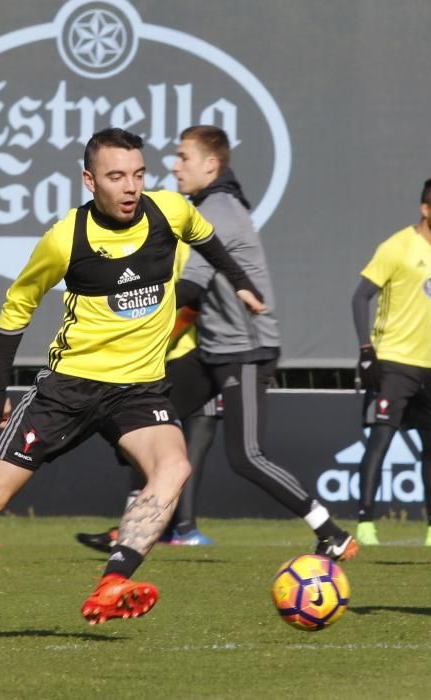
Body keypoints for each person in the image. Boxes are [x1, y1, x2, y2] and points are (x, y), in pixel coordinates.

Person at [0, 127, 266, 627]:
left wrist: (240, 283)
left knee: (173, 467)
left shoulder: (169, 211)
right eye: (116, 176)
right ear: (89, 181)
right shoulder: (67, 238)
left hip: (140, 387)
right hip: (69, 389)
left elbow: (206, 239)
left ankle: (113, 582)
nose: (130, 187)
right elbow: (17, 306)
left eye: (138, 174)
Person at [161, 124, 359, 560]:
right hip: (213, 349)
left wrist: (133, 323)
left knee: (245, 456)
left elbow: (189, 290)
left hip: (245, 352)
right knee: (149, 417)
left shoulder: (217, 209)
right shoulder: (210, 205)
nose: (174, 166)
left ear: (211, 165)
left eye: (183, 158)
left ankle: (331, 532)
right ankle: (141, 523)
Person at [75, 243, 222, 553]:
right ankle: (154, 527)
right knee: (153, 445)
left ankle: (180, 528)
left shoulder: (180, 246)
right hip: (155, 365)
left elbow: (192, 301)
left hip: (189, 359)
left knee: (184, 451)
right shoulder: (124, 251)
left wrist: (164, 337)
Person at [352, 176, 431, 547]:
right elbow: (359, 299)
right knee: (381, 441)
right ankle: (365, 524)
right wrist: (366, 352)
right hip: (394, 362)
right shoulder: (397, 247)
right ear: (425, 209)